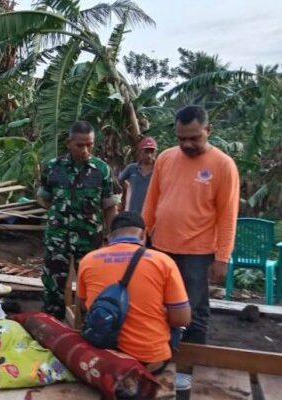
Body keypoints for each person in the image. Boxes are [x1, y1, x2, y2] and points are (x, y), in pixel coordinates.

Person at [141, 105, 239, 390]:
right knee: (158, 306)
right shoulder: (165, 158)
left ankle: (187, 367)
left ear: (208, 131)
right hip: (161, 248)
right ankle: (160, 358)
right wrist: (141, 235)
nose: (187, 144)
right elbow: (152, 201)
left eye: (194, 138)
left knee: (194, 311)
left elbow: (228, 215)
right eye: (181, 138)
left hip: (198, 253)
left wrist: (222, 257)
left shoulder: (223, 165)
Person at [78, 212, 191, 369]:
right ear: (144, 234)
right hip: (147, 360)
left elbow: (84, 305)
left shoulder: (88, 260)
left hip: (101, 355)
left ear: (109, 237)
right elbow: (182, 319)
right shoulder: (163, 261)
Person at [37, 121, 119, 319]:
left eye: (89, 144)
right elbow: (44, 197)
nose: (85, 149)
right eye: (80, 145)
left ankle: (91, 325)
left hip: (90, 238)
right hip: (58, 237)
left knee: (92, 285)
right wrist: (59, 214)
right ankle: (51, 325)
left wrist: (111, 237)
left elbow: (110, 206)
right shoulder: (53, 167)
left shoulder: (102, 170)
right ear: (69, 143)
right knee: (53, 285)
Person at [118, 137, 158, 213]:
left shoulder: (158, 169)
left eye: (152, 152)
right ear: (140, 152)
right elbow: (120, 179)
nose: (149, 155)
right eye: (146, 152)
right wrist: (127, 189)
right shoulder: (132, 168)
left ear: (155, 153)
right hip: (134, 211)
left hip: (153, 212)